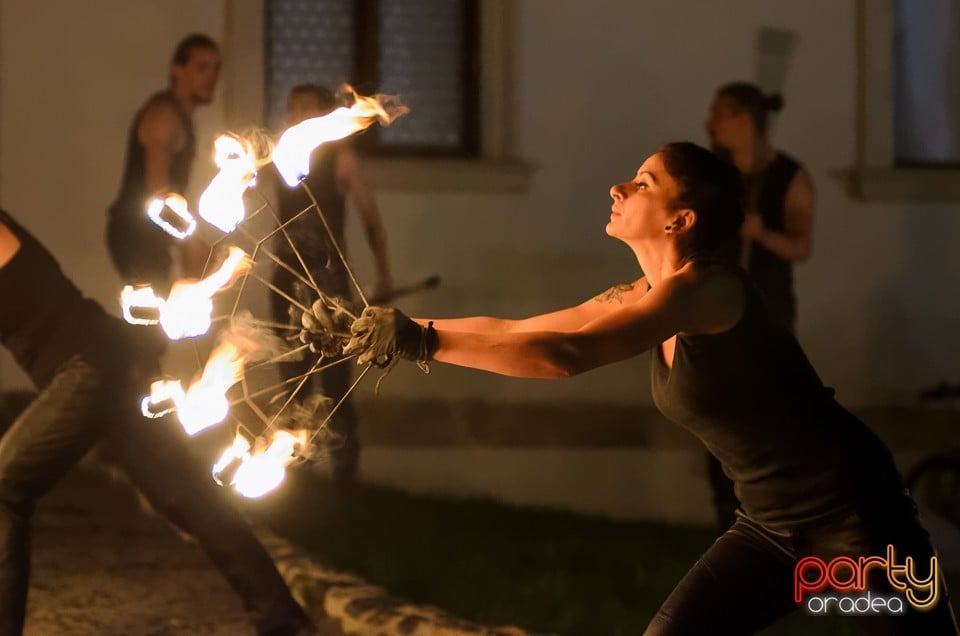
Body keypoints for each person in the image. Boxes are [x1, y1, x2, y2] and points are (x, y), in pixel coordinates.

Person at [314, 142, 959, 634]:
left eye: (643, 182)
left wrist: (421, 343)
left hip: (859, 523)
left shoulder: (711, 289)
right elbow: (518, 331)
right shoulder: (640, 296)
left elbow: (565, 356)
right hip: (767, 530)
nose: (618, 187)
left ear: (681, 219)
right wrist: (398, 330)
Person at [0, 210, 317, 635]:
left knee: (5, 489)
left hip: (88, 366)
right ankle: (285, 621)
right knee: (186, 498)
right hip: (106, 360)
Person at [704, 81, 816, 530]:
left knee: (763, 419)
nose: (709, 123)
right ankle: (724, 523)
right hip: (714, 310)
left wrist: (761, 232)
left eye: (717, 114)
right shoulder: (715, 173)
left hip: (767, 315)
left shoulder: (789, 177)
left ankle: (769, 522)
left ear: (743, 120)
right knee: (716, 416)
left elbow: (801, 245)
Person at [271, 83, 393, 482]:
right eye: (291, 109)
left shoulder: (341, 157)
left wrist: (384, 274)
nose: (296, 117)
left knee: (337, 373)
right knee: (292, 373)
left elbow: (370, 217)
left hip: (329, 283)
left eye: (306, 109)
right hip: (288, 277)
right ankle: (292, 471)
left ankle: (343, 471)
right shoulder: (280, 155)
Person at [106, 33, 221, 294]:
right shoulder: (164, 116)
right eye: (201, 67)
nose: (211, 76)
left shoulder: (179, 116)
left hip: (149, 234)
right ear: (177, 70)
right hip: (138, 235)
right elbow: (159, 188)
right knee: (150, 317)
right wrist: (190, 242)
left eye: (216, 68)